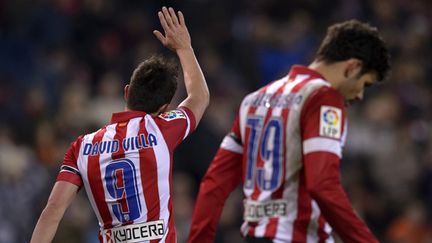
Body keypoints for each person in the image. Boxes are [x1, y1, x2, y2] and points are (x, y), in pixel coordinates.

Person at [188, 19, 390, 243]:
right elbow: (322, 184)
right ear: (352, 67)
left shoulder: (253, 100)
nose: (360, 94)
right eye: (364, 83)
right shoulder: (324, 99)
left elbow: (215, 182)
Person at [31, 6, 209, 243]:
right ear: (164, 109)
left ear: (126, 92)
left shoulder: (82, 146)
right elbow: (199, 98)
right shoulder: (162, 129)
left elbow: (52, 211)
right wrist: (184, 48)